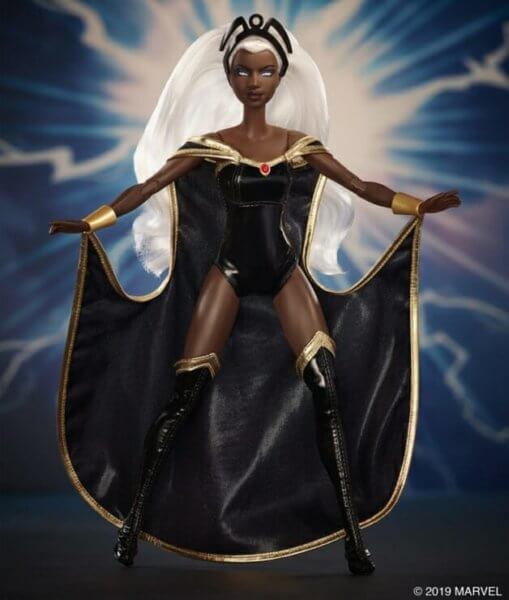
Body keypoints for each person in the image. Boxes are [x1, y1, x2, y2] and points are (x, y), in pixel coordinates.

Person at [49, 14, 460, 576]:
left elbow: (360, 186)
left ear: (281, 76)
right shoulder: (210, 146)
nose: (254, 81)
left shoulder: (299, 146)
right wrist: (91, 222)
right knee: (185, 394)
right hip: (230, 271)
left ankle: (353, 537)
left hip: (284, 272)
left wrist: (415, 206)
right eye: (243, 71)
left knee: (325, 389)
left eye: (266, 71)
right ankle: (133, 521)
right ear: (228, 75)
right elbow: (146, 188)